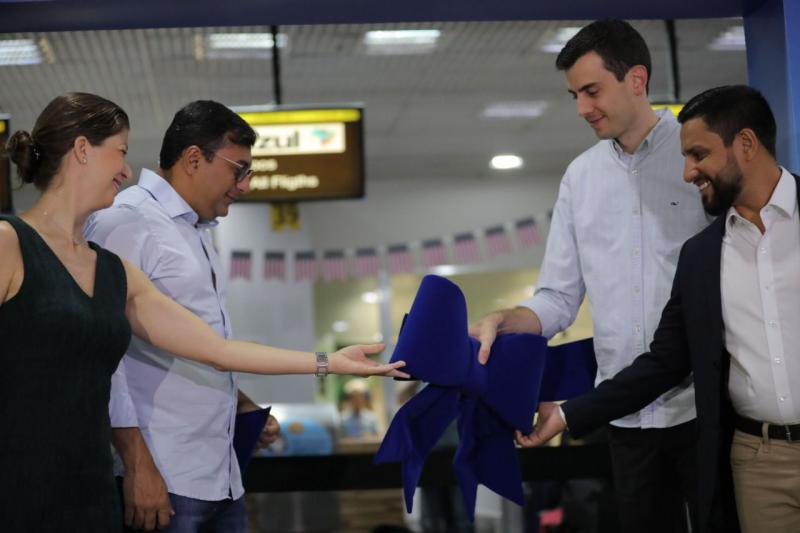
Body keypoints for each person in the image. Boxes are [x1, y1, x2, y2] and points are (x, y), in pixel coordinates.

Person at [0, 92, 407, 533]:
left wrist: (329, 362)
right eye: (120, 152)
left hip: (92, 485)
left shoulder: (111, 268)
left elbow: (217, 350)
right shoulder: (13, 243)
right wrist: (138, 463)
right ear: (82, 150)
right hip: (25, 482)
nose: (124, 170)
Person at [522, 84, 798, 533]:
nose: (687, 172)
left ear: (746, 145)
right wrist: (569, 414)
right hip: (756, 462)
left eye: (698, 155)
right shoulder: (702, 256)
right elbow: (664, 362)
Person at [469, 19, 709, 533]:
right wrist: (506, 319)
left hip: (706, 407)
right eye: (574, 94)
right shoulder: (580, 177)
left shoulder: (697, 155)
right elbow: (558, 298)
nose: (582, 108)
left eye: (592, 90)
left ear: (637, 80)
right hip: (622, 417)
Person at [83, 100, 278, 532]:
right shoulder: (127, 221)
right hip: (163, 479)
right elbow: (105, 357)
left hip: (220, 475)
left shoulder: (196, 230)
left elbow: (198, 344)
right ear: (194, 158)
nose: (244, 185)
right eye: (238, 169)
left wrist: (241, 404)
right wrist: (137, 465)